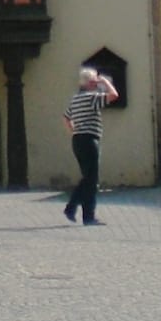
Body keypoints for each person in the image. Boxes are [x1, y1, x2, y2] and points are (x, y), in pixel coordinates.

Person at [63, 65, 118, 225]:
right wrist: (105, 82)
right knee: (91, 180)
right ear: (89, 82)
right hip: (89, 140)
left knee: (87, 178)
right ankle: (79, 211)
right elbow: (114, 95)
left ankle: (79, 211)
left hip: (77, 140)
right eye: (94, 80)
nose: (96, 82)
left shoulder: (75, 99)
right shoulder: (91, 97)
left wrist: (74, 131)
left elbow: (66, 118)